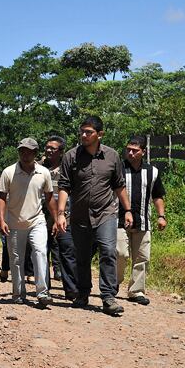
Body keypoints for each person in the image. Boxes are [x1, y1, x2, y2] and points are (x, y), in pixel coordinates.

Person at [57, 116, 133, 316]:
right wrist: (61, 213)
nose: (84, 135)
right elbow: (64, 186)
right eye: (82, 131)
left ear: (100, 134)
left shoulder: (112, 156)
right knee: (82, 257)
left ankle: (108, 297)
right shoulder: (71, 156)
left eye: (88, 132)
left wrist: (127, 211)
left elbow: (119, 185)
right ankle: (83, 293)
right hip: (79, 215)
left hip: (106, 213)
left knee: (108, 251)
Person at [0, 138, 57, 307]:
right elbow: (1, 197)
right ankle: (18, 293)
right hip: (14, 222)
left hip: (37, 221)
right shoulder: (9, 172)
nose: (25, 154)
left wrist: (57, 218)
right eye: (22, 150)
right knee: (16, 260)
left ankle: (42, 292)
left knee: (40, 252)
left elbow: (49, 198)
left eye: (29, 151)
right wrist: (1, 220)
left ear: (35, 153)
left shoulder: (43, 173)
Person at [116, 136, 167, 305]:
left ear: (143, 152)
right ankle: (114, 282)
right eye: (128, 150)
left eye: (135, 150)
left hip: (143, 221)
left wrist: (161, 216)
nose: (130, 153)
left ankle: (136, 291)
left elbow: (157, 195)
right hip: (118, 219)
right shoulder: (118, 169)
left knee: (142, 257)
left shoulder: (152, 171)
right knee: (120, 253)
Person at [43, 135, 78, 300]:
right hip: (42, 215)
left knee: (66, 249)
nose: (49, 150)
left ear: (61, 151)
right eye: (47, 147)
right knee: (41, 250)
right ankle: (44, 287)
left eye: (53, 148)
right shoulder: (38, 167)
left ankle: (71, 289)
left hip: (64, 215)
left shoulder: (69, 167)